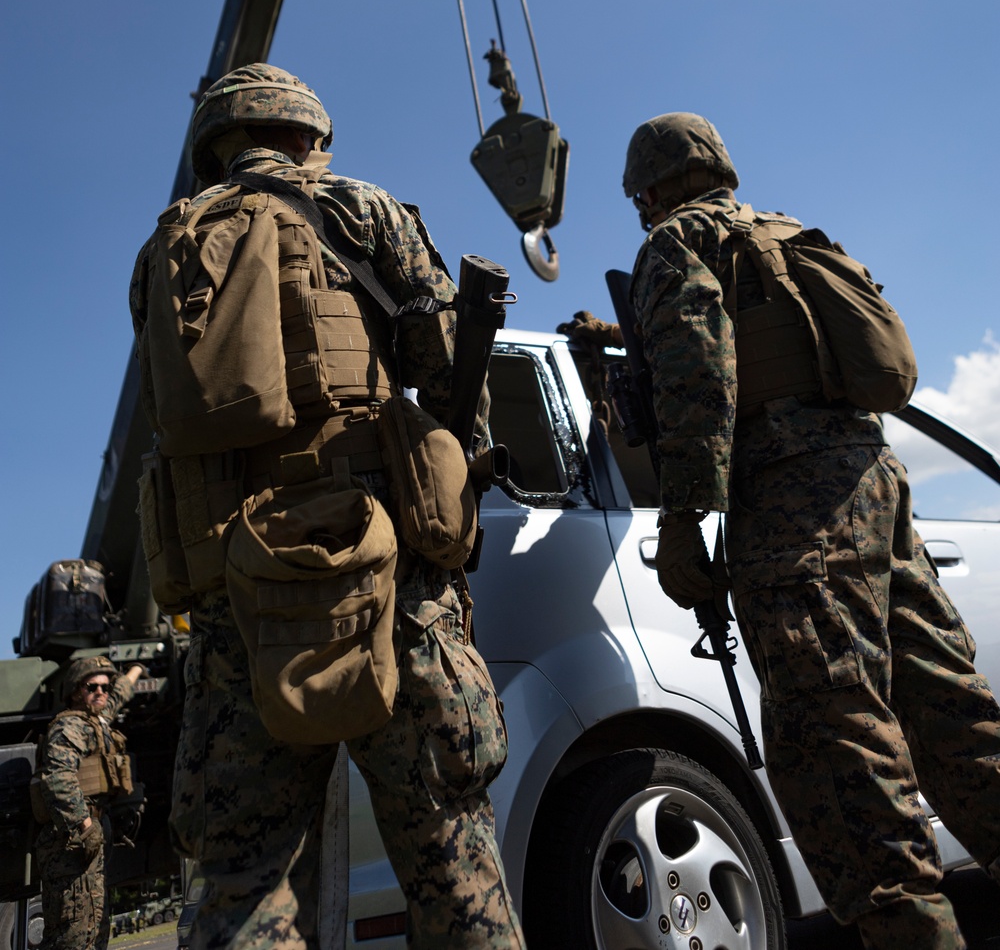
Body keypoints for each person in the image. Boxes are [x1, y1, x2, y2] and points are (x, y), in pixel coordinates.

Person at [563, 112, 1000, 950]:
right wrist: (624, 340)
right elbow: (753, 339)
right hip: (875, 494)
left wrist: (686, 523)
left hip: (792, 524)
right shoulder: (784, 236)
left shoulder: (674, 243)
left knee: (843, 769)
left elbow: (699, 379)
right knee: (957, 727)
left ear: (650, 189)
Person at [129, 63, 524, 950]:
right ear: (309, 135)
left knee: (242, 882)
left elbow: (173, 418)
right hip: (385, 570)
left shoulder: (166, 251)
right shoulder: (362, 208)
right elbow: (442, 360)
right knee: (450, 854)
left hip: (245, 592)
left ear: (216, 150)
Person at [33, 656, 144, 950]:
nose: (100, 692)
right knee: (72, 937)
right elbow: (57, 779)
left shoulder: (96, 720)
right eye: (91, 686)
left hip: (88, 839)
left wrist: (136, 671)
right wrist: (85, 826)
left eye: (104, 686)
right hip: (70, 845)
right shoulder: (70, 727)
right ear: (74, 691)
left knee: (94, 932)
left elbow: (118, 695)